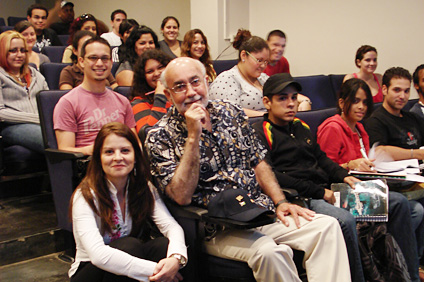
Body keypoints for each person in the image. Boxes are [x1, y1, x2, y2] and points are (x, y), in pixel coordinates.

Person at [146, 57, 351, 282]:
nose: (191, 92)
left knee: (327, 227)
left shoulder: (230, 112)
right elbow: (181, 196)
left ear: (206, 82)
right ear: (168, 95)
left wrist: (280, 201)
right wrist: (193, 136)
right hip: (215, 227)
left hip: (257, 213)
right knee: (271, 252)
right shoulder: (160, 136)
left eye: (195, 82)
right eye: (179, 86)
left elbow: (259, 161)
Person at [253, 73, 422, 282]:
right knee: (345, 220)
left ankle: (408, 277)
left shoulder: (300, 126)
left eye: (294, 97)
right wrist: (320, 192)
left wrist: (344, 176)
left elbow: (322, 159)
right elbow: (273, 176)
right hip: (305, 198)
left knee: (398, 203)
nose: (290, 104)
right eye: (282, 98)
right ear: (267, 102)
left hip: (329, 189)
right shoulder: (259, 132)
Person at [317, 77, 424, 281]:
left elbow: (365, 161)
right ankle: (409, 274)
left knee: (414, 208)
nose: (361, 107)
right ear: (342, 102)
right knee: (402, 204)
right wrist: (349, 165)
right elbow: (323, 170)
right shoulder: (332, 127)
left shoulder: (360, 128)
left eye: (365, 102)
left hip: (363, 186)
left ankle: (400, 269)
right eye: (356, 101)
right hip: (342, 192)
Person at [68, 122, 187, 282]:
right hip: (90, 272)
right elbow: (98, 256)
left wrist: (175, 259)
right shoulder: (85, 195)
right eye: (109, 152)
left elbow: (171, 226)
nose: (118, 158)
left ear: (135, 157)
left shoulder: (143, 186)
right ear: (99, 158)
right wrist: (157, 271)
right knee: (129, 246)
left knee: (163, 246)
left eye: (125, 151)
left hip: (125, 263)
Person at [53, 37, 136, 155]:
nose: (99, 63)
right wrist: (102, 149)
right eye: (93, 58)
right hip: (90, 164)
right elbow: (65, 150)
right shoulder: (68, 102)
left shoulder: (123, 101)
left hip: (122, 163)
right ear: (81, 61)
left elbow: (134, 141)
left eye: (105, 58)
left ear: (111, 63)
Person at [209, 29, 311, 117]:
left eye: (266, 61)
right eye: (259, 60)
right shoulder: (227, 79)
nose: (263, 66)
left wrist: (304, 100)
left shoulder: (263, 78)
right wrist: (269, 116)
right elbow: (230, 111)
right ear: (244, 55)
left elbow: (284, 93)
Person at [0, 31, 49, 154]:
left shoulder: (35, 74)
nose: (19, 55)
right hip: (12, 126)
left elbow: (47, 103)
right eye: (13, 51)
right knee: (50, 139)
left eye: (23, 50)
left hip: (40, 123)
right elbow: (1, 113)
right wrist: (37, 119)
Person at [130, 49, 172, 140]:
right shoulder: (138, 103)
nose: (157, 73)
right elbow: (149, 135)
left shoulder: (180, 94)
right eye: (150, 71)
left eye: (160, 67)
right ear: (143, 78)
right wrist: (160, 97)